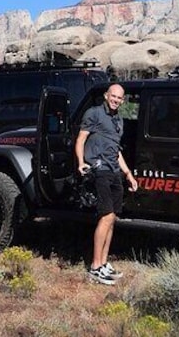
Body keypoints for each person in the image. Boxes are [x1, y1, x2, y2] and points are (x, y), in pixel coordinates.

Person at [75, 83, 138, 285]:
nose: (116, 100)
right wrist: (81, 163)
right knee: (106, 215)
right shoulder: (93, 113)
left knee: (112, 218)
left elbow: (116, 150)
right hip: (99, 168)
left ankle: (103, 264)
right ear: (106, 95)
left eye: (119, 98)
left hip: (114, 170)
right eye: (113, 96)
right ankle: (95, 268)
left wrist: (128, 174)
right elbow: (80, 139)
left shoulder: (118, 119)